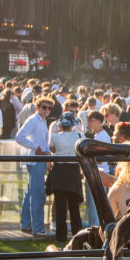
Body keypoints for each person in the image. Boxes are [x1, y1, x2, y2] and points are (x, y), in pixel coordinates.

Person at [15, 97, 54, 237]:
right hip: (35, 159)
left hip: (39, 158)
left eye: (49, 108)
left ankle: (26, 223)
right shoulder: (33, 120)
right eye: (44, 107)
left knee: (30, 192)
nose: (47, 110)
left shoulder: (42, 121)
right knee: (37, 193)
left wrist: (45, 150)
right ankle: (38, 228)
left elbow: (41, 142)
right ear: (37, 107)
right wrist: (35, 147)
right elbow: (19, 137)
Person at [48, 112, 83, 243]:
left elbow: (52, 148)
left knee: (60, 206)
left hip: (60, 171)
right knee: (74, 206)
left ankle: (60, 236)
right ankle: (77, 234)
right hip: (73, 171)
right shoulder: (80, 136)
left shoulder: (56, 137)